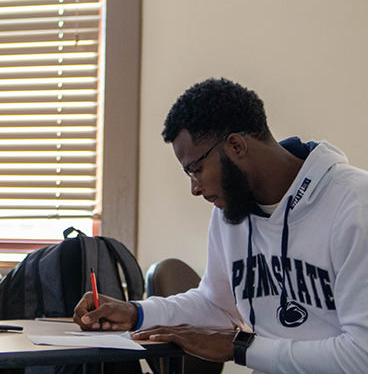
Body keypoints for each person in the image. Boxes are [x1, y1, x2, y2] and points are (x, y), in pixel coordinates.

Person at [73, 78, 368, 373]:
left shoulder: (354, 203)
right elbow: (217, 306)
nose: (195, 188)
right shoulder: (232, 208)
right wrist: (136, 312)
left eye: (196, 170)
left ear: (236, 145)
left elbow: (361, 355)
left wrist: (240, 347)